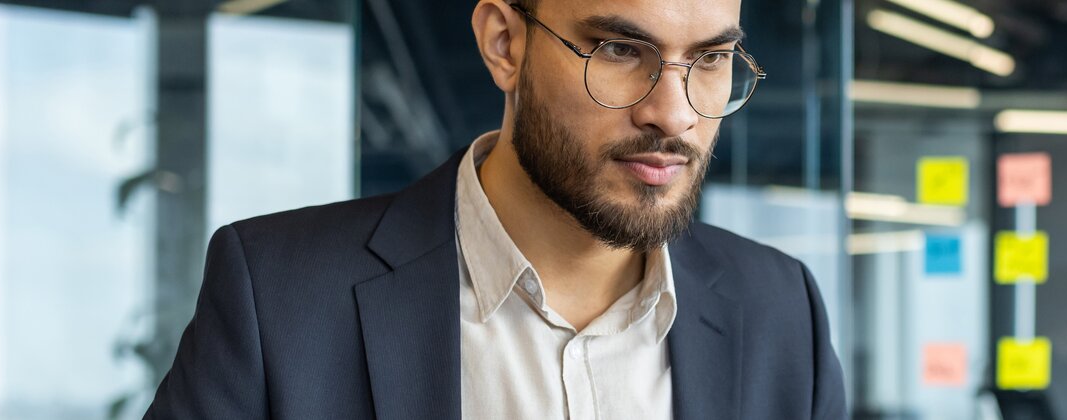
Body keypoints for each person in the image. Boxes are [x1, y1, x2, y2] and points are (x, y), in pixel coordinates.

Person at [143, 0, 846, 418]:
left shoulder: (783, 311)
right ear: (504, 43)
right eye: (619, 50)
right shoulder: (279, 296)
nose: (675, 113)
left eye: (711, 59)